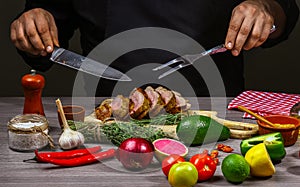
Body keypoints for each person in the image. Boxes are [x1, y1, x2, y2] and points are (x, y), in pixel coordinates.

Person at [10, 0, 299, 97]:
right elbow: (42, 32)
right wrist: (32, 25)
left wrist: (265, 9)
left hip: (216, 113)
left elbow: (283, 9)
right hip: (106, 117)